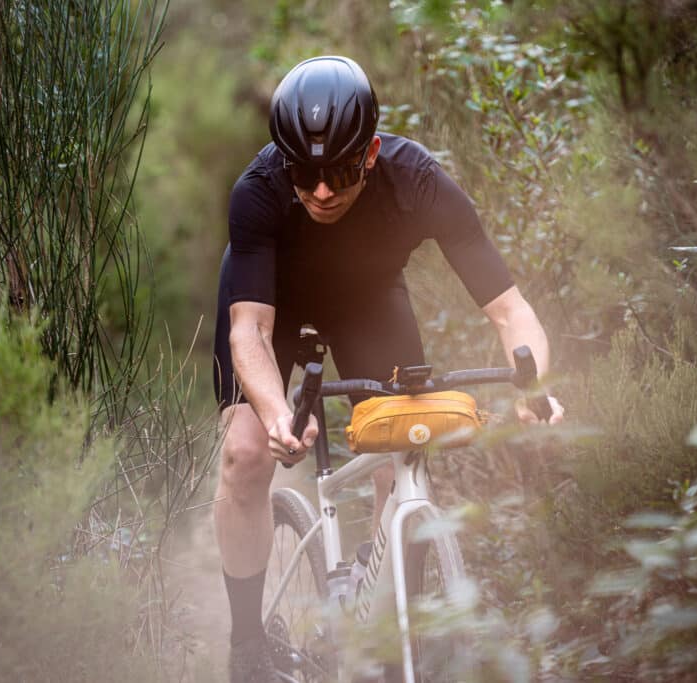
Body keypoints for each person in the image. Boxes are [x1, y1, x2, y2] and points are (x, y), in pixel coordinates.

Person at [212, 55, 565, 681]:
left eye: (340, 172)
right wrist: (275, 414)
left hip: (367, 301)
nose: (322, 192)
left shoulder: (418, 182)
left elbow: (510, 311)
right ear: (284, 163)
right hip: (272, 304)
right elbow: (250, 331)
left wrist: (533, 385)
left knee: (405, 442)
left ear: (371, 153)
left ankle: (386, 618)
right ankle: (246, 648)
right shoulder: (258, 191)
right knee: (245, 454)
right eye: (305, 174)